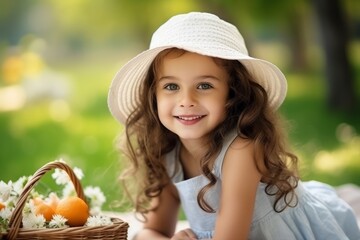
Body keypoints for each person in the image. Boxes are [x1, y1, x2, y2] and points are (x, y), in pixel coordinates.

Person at [107, 12, 360, 240]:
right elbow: (149, 231)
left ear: (233, 94)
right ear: (154, 96)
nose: (186, 101)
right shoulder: (168, 153)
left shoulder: (241, 149)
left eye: (204, 85)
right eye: (171, 86)